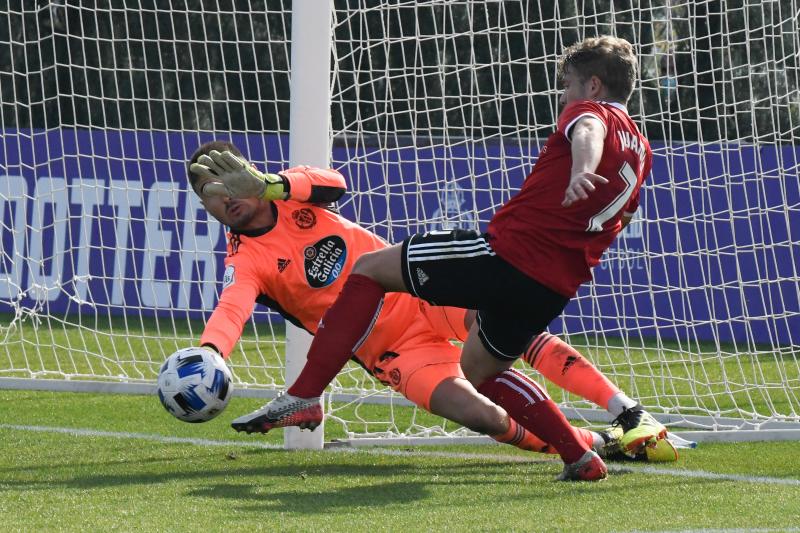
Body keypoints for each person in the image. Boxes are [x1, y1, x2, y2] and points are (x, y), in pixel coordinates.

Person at [196, 36, 669, 467]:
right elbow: (231, 308)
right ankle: (584, 451)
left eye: (566, 85)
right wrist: (210, 352)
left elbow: (588, 130)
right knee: (481, 382)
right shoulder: (642, 148)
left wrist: (581, 168)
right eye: (210, 195)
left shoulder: (590, 113)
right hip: (523, 296)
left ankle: (304, 394)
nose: (562, 96)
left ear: (593, 83)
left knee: (371, 269)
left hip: (489, 265)